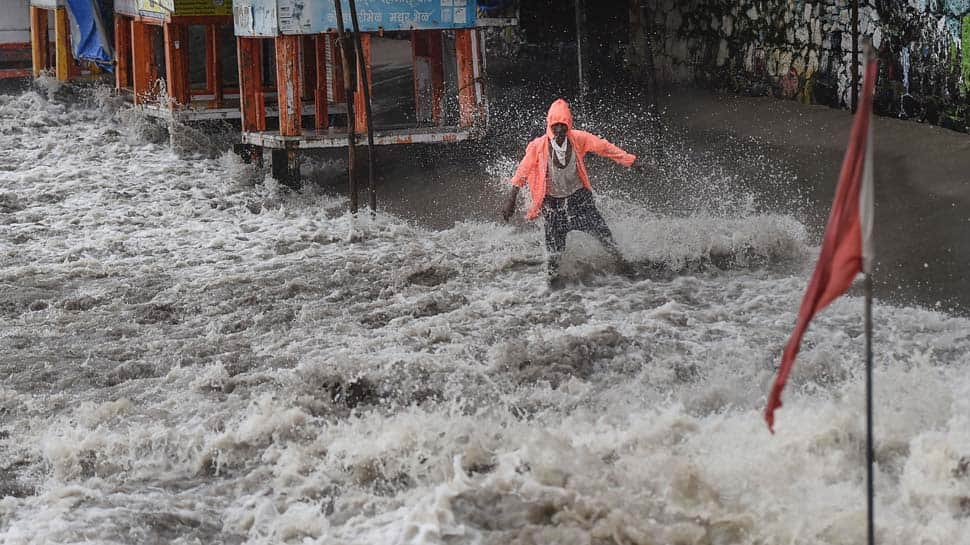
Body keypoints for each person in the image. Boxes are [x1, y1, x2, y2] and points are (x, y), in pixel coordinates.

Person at [501, 98, 644, 288]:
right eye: (555, 126)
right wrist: (511, 201)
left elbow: (605, 148)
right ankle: (552, 290)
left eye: (563, 126)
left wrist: (632, 162)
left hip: (579, 199)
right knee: (554, 254)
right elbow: (522, 172)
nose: (559, 131)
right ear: (549, 125)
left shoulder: (579, 139)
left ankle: (625, 269)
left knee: (604, 235)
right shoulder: (538, 146)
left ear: (569, 125)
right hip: (552, 204)